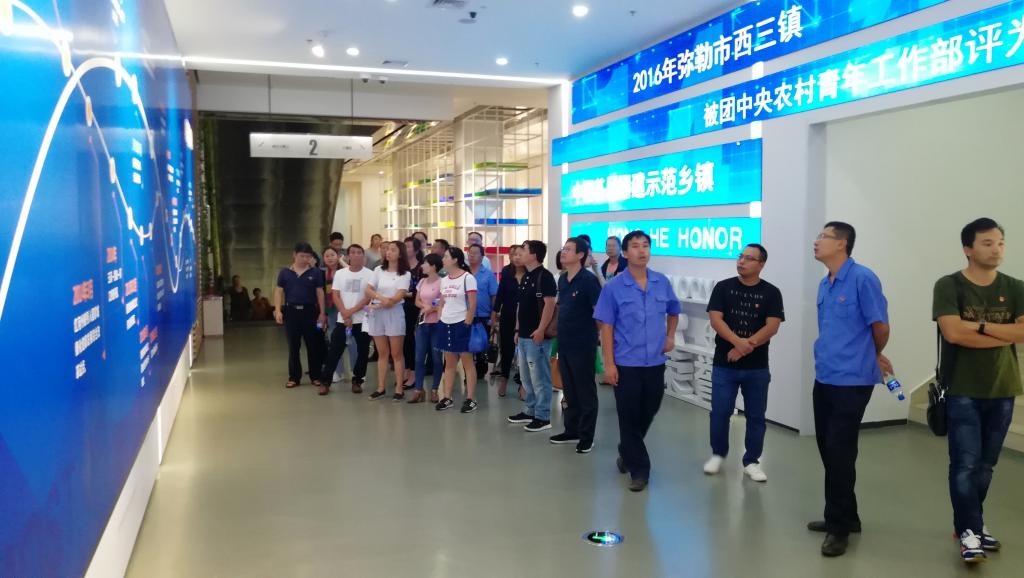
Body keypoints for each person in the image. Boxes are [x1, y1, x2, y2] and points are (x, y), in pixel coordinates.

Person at [933, 218, 1024, 564]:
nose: (996, 249)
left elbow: (1023, 334)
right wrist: (1004, 331)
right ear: (968, 249)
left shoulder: (1016, 287)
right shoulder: (949, 285)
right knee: (965, 463)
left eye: (1000, 242)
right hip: (962, 389)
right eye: (987, 243)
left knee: (986, 465)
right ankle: (970, 532)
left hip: (1003, 387)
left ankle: (970, 522)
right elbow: (954, 333)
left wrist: (980, 326)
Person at [808, 221, 893, 557]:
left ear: (841, 244)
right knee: (828, 449)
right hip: (825, 375)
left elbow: (880, 326)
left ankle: (838, 527)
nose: (816, 241)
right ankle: (849, 515)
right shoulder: (824, 283)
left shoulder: (863, 278)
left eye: (823, 236)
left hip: (853, 380)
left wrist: (872, 353)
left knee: (840, 451)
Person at [594, 231, 680, 492]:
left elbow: (674, 310)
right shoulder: (614, 287)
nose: (642, 251)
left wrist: (670, 336)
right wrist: (609, 364)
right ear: (625, 252)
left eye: (645, 246)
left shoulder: (661, 282)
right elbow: (606, 327)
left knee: (649, 409)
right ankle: (640, 470)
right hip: (626, 363)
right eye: (635, 246)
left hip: (655, 361)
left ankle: (627, 451)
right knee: (628, 416)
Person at [703, 244, 785, 482]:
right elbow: (716, 319)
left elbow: (772, 326)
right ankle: (718, 454)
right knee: (720, 412)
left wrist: (743, 348)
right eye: (740, 257)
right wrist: (738, 342)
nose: (741, 261)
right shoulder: (723, 287)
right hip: (724, 365)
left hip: (757, 368)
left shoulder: (771, 292)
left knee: (756, 416)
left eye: (749, 258)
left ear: (761, 264)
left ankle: (751, 461)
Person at [549, 237, 602, 454]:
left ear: (580, 255)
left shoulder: (588, 281)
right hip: (565, 342)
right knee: (569, 390)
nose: (563, 252)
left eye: (569, 249)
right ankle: (571, 430)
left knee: (585, 391)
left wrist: (599, 338)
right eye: (563, 248)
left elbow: (599, 313)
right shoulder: (563, 279)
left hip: (583, 344)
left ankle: (586, 436)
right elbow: (561, 308)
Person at [506, 240, 558, 432]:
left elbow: (550, 304)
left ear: (534, 255)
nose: (519, 253)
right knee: (526, 378)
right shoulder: (526, 276)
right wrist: (517, 330)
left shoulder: (545, 276)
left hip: (538, 337)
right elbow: (521, 306)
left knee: (540, 378)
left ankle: (543, 416)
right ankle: (530, 410)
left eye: (524, 250)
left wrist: (541, 329)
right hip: (524, 336)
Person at [274, 243, 327, 391]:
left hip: (310, 312)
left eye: (308, 256)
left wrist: (322, 313)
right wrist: (277, 310)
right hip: (291, 312)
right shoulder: (284, 272)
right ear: (294, 255)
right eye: (301, 256)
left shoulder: (315, 272)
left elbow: (320, 293)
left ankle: (315, 376)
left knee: (313, 345)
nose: (304, 259)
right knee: (293, 346)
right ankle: (294, 377)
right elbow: (278, 291)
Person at [322, 244, 374, 394]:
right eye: (352, 252)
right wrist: (345, 313)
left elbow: (368, 297)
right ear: (348, 256)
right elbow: (336, 295)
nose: (356, 255)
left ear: (363, 256)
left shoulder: (370, 274)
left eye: (359, 252)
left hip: (362, 319)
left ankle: (357, 380)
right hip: (342, 319)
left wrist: (351, 312)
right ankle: (325, 381)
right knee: (334, 349)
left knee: (362, 351)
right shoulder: (340, 274)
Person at [435, 247, 480, 413]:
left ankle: (471, 398)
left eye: (446, 256)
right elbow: (442, 302)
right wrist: (440, 317)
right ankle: (447, 397)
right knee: (449, 363)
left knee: (467, 362)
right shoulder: (444, 280)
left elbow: (473, 304)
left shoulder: (468, 278)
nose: (443, 259)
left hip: (461, 323)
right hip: (445, 323)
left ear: (455, 260)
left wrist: (467, 323)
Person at [365, 241, 411, 401]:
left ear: (400, 254)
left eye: (393, 250)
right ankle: (381, 387)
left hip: (394, 314)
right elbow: (368, 289)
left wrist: (384, 301)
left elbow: (398, 296)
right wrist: (381, 298)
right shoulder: (378, 270)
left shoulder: (405, 274)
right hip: (377, 313)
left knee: (396, 353)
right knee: (382, 353)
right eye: (387, 250)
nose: (388, 252)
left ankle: (399, 388)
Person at [409, 253, 445, 404]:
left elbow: (443, 303)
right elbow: (417, 300)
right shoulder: (422, 281)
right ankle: (418, 389)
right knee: (419, 357)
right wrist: (425, 306)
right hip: (422, 323)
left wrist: (433, 309)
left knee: (436, 358)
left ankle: (435, 389)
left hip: (436, 324)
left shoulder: (442, 282)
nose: (422, 266)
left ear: (433, 266)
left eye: (425, 263)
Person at [494, 245, 526, 398]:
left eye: (520, 254)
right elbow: (500, 294)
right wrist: (494, 313)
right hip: (508, 315)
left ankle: (523, 384)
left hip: (526, 317)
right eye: (514, 255)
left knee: (525, 350)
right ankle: (504, 379)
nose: (517, 258)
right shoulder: (507, 273)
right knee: (507, 349)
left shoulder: (531, 274)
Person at [468, 244, 498, 380]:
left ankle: (480, 371)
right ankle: (469, 372)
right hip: (464, 315)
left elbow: (494, 296)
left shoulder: (488, 274)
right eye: (470, 252)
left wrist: (493, 315)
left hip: (483, 316)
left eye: (475, 253)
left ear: (482, 256)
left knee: (481, 344)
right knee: (467, 346)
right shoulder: (463, 273)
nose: (472, 255)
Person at [403, 236, 426, 388]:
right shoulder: (401, 267)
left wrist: (403, 293)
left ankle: (413, 373)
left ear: (416, 250)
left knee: (412, 340)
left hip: (415, 307)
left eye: (409, 247)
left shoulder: (421, 268)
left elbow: (420, 291)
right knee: (403, 340)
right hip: (400, 306)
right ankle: (406, 370)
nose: (405, 249)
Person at [321, 247, 343, 337]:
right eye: (327, 256)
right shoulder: (322, 272)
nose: (330, 258)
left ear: (338, 256)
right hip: (330, 306)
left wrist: (342, 261)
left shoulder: (345, 270)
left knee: (347, 330)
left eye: (332, 255)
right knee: (332, 329)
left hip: (344, 304)